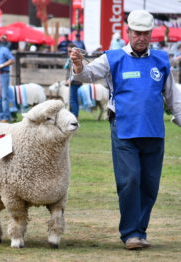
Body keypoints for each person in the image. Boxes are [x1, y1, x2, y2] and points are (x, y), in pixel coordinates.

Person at [70, 10, 181, 250]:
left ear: (151, 34)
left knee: (150, 185)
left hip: (154, 131)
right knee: (130, 180)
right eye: (137, 32)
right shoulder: (112, 58)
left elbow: (173, 97)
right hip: (124, 130)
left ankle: (140, 231)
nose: (141, 37)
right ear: (128, 32)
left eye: (146, 33)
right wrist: (78, 65)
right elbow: (87, 75)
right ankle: (130, 233)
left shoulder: (161, 60)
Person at [64, 43, 82, 118]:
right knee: (74, 99)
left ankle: (74, 116)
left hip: (74, 81)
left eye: (70, 51)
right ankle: (73, 114)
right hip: (76, 81)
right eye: (68, 51)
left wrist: (69, 80)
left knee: (72, 99)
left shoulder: (73, 60)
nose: (69, 53)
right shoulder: (70, 59)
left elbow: (73, 72)